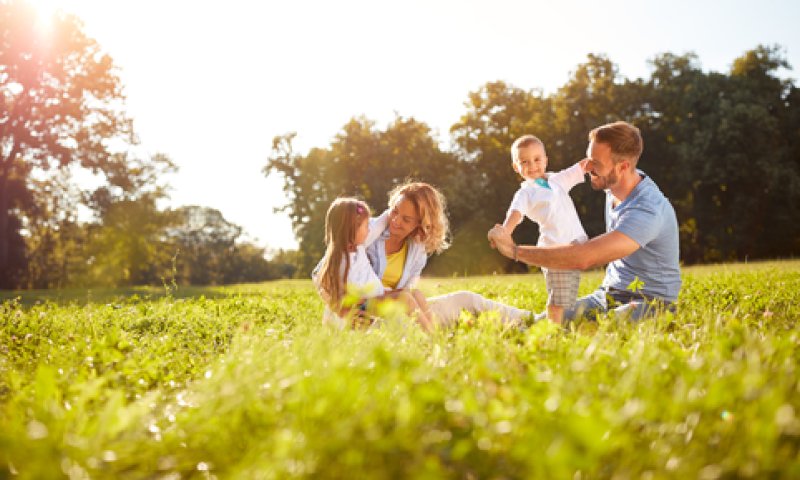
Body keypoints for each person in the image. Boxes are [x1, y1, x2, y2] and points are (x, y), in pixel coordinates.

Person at [488, 121, 681, 322]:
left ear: (623, 167)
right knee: (543, 324)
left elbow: (583, 258)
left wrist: (514, 251)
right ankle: (474, 306)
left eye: (595, 164)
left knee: (602, 328)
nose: (588, 168)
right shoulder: (614, 186)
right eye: (588, 159)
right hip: (606, 297)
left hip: (649, 302)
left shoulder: (647, 209)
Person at [367, 182, 533, 328]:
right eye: (394, 211)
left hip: (400, 312)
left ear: (421, 224)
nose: (396, 221)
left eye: (406, 219)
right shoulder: (368, 234)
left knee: (466, 299)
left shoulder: (417, 248)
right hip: (369, 317)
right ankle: (431, 337)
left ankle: (532, 320)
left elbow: (408, 292)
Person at [501, 134, 589, 324]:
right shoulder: (525, 193)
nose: (532, 165)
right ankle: (552, 329)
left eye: (537, 159)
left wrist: (596, 161)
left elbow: (580, 167)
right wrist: (505, 232)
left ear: (546, 160)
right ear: (516, 167)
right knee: (558, 298)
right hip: (554, 248)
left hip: (575, 244)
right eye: (524, 162)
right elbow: (515, 213)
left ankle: (558, 324)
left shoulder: (557, 179)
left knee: (567, 294)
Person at [311, 197, 434, 331]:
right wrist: (343, 310)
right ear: (352, 229)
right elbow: (323, 282)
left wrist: (400, 206)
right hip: (362, 305)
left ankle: (434, 330)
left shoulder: (359, 248)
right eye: (366, 226)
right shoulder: (339, 257)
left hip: (376, 296)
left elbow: (380, 223)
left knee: (416, 294)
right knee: (405, 298)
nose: (369, 229)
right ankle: (431, 336)